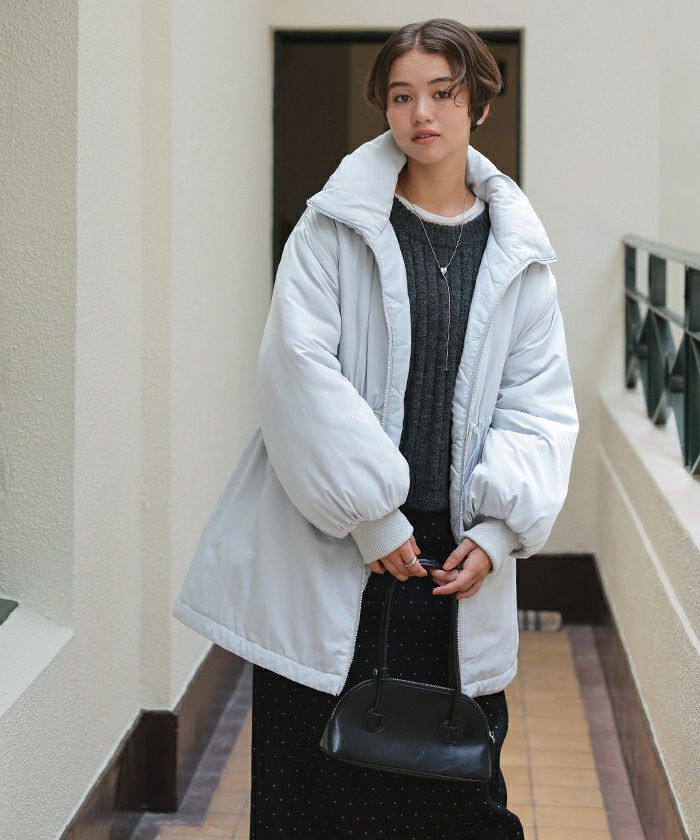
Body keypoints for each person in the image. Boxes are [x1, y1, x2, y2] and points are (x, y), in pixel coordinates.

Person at [172, 16, 579, 839]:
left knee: (452, 793)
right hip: (338, 541)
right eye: (401, 96)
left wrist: (500, 532)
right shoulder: (333, 227)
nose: (421, 113)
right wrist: (371, 516)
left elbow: (538, 402)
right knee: (312, 786)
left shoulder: (519, 253)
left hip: (455, 561)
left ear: (480, 104)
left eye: (443, 93)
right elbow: (297, 374)